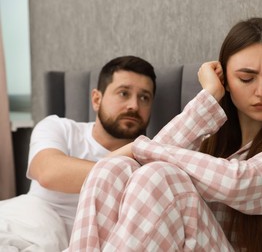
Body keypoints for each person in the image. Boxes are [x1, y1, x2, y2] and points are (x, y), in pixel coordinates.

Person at [67, 18, 262, 252]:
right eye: (246, 79)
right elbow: (143, 159)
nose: (261, 91)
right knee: (111, 170)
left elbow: (241, 183)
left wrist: (140, 148)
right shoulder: (211, 137)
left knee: (161, 176)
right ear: (226, 80)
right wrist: (211, 97)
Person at [0, 55, 156, 251]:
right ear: (97, 99)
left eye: (144, 97)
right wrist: (128, 152)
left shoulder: (151, 163)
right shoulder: (59, 128)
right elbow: (49, 173)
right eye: (124, 93)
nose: (134, 105)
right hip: (23, 220)